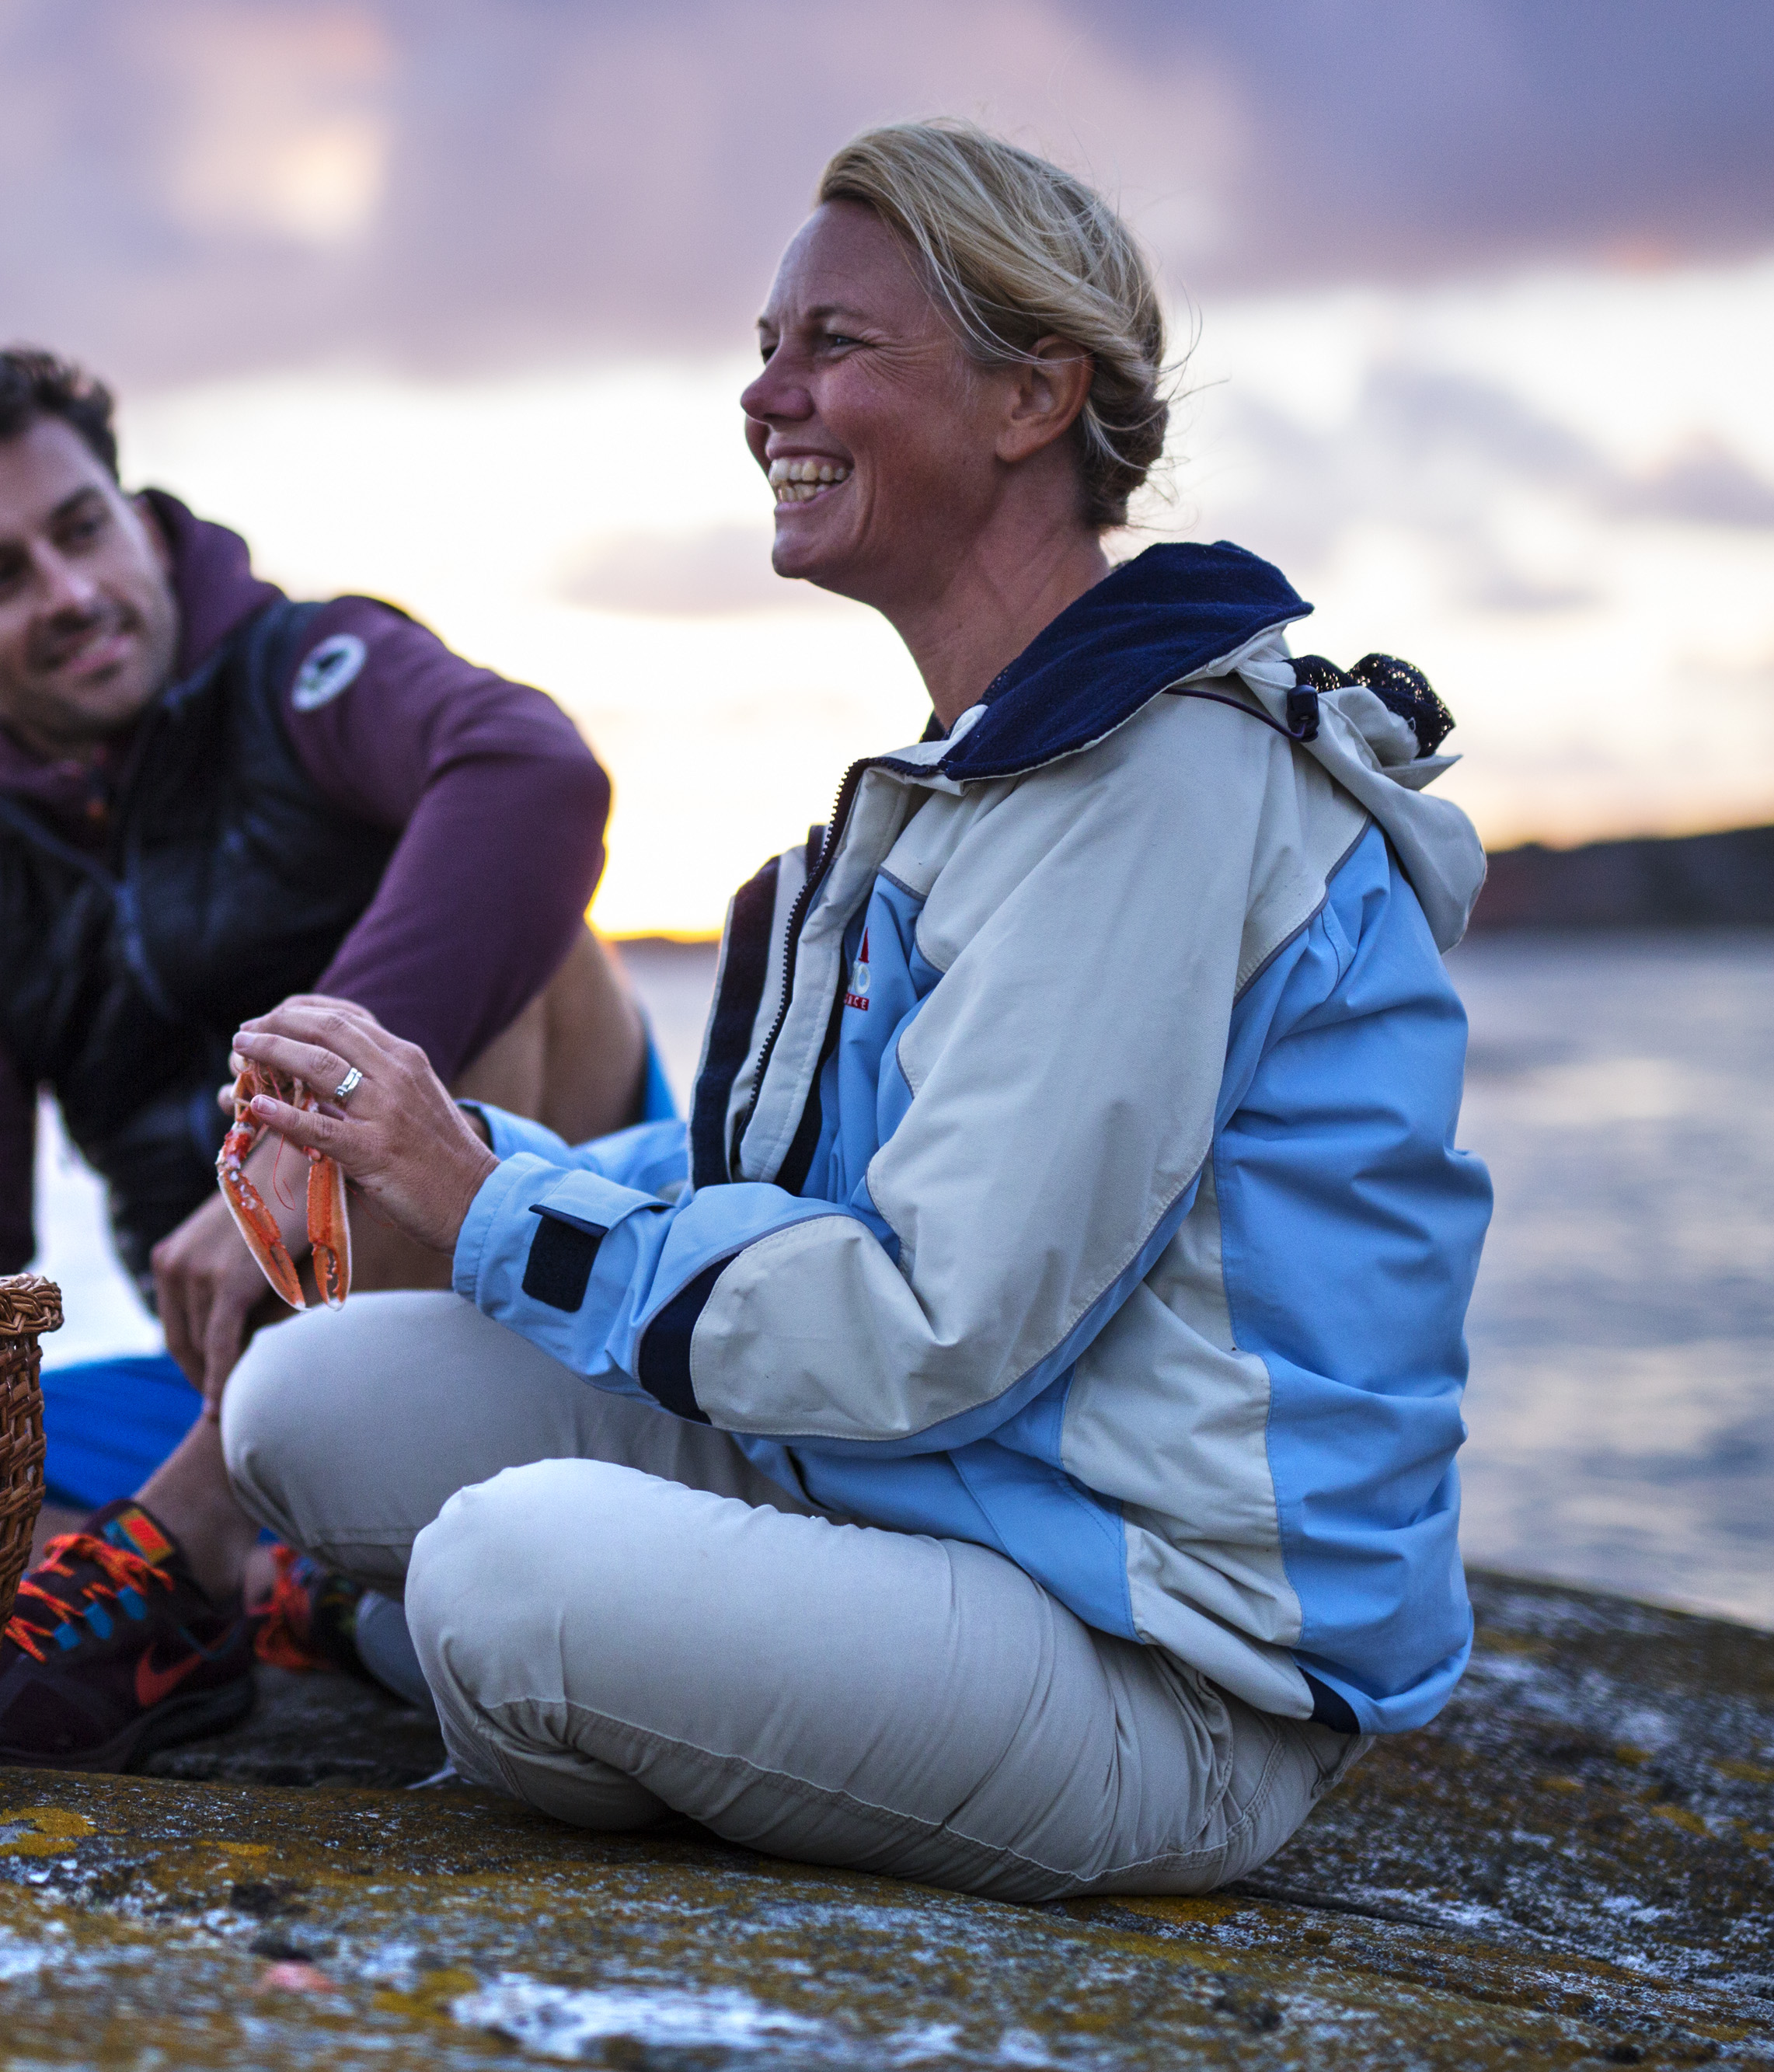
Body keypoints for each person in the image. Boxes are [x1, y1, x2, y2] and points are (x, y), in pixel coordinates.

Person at [214, 119, 1492, 1899]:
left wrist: (498, 1210)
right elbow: (793, 1171)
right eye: (761, 348)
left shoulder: (1161, 793)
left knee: (503, 1580)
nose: (763, 396)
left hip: (1162, 1661)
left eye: (830, 344)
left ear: (1030, 396)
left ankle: (467, 1674)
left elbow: (925, 1322)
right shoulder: (980, 778)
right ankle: (559, 1677)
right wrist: (434, 1155)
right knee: (307, 1397)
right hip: (910, 1494)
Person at [0, 346, 653, 1770]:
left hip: (544, 1287)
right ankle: (278, 1576)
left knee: (528, 933)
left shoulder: (309, 674)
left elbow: (538, 776)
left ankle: (200, 1541)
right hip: (219, 1363)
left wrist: (305, 1119)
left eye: (80, 528)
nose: (68, 591)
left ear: (140, 515)